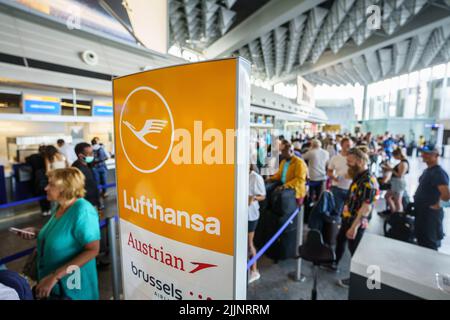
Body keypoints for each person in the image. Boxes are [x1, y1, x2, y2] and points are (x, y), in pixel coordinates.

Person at [17, 168, 100, 299]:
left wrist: (55, 276)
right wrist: (38, 233)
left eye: (51, 184)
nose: (46, 188)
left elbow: (92, 250)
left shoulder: (83, 211)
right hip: (53, 286)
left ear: (65, 188)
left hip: (73, 288)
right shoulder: (60, 207)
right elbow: (64, 235)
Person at [335, 147, 379, 287]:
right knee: (340, 239)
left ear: (360, 161)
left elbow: (366, 208)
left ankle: (357, 279)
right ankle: (335, 262)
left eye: (350, 162)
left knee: (355, 252)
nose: (347, 164)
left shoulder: (368, 182)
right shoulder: (358, 175)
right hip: (348, 218)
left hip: (356, 222)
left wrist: (354, 227)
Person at [414, 146, 450, 250]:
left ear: (436, 155)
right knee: (421, 240)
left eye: (428, 153)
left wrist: (436, 207)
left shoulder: (438, 173)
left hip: (430, 216)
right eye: (423, 153)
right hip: (422, 213)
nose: (424, 155)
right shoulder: (428, 170)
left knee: (429, 244)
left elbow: (446, 196)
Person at [268, 140, 308, 205]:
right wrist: (271, 178)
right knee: (270, 190)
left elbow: (300, 180)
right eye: (281, 151)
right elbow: (279, 175)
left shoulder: (299, 163)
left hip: (295, 188)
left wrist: (284, 186)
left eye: (284, 152)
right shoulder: (284, 162)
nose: (282, 154)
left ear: (291, 151)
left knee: (281, 196)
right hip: (285, 184)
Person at [247, 164, 266, 284]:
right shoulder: (238, 174)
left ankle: (254, 270)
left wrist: (252, 198)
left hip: (251, 215)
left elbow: (262, 196)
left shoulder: (256, 177)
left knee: (249, 244)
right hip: (239, 214)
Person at [327, 137, 353, 216]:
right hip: (337, 188)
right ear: (341, 145)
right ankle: (337, 227)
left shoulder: (354, 158)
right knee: (337, 211)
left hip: (351, 189)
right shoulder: (335, 158)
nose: (350, 147)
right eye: (347, 145)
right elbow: (329, 171)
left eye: (351, 145)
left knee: (349, 212)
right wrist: (334, 177)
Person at [72, 142, 100, 209]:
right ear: (81, 156)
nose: (92, 155)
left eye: (92, 152)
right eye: (90, 154)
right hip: (86, 204)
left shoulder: (88, 165)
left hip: (92, 201)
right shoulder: (77, 169)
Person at [25, 145, 50, 217]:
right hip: (47, 178)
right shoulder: (48, 157)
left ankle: (44, 211)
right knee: (47, 194)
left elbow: (26, 160)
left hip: (37, 178)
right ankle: (49, 209)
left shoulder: (33, 156)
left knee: (41, 194)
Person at [383, 148, 409, 214]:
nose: (394, 158)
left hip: (398, 183)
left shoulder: (403, 163)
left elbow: (399, 175)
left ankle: (398, 215)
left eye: (395, 156)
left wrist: (390, 169)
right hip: (396, 183)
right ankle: (394, 212)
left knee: (398, 201)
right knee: (388, 196)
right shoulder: (402, 162)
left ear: (398, 155)